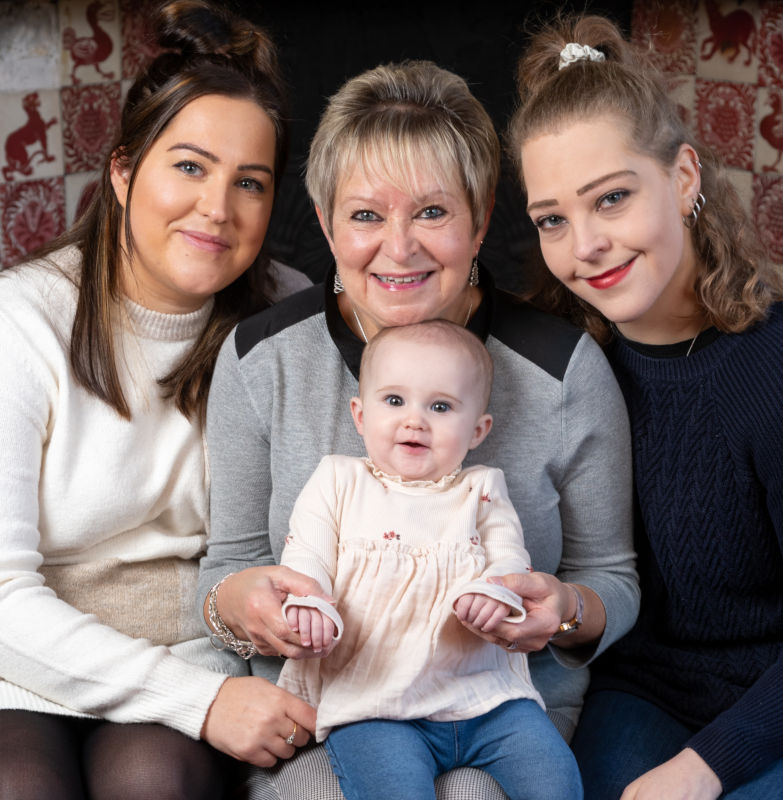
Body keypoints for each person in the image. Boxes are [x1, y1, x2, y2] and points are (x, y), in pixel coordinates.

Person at [198, 58, 639, 800]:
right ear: (325, 219)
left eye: (432, 213)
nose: (398, 249)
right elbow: (224, 569)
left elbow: (614, 579)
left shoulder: (563, 372)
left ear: (482, 213)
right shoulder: (259, 360)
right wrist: (248, 607)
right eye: (367, 215)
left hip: (503, 710)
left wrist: (566, 614)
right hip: (325, 714)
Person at [0, 2, 320, 798]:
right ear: (122, 170)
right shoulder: (22, 320)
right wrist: (201, 702)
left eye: (249, 182)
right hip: (26, 661)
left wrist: (210, 686)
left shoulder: (289, 316)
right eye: (189, 166)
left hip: (195, 654)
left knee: (150, 780)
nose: (217, 207)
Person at [509, 13, 783, 800]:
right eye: (552, 221)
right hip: (645, 692)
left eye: (611, 200)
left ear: (683, 177)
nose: (584, 246)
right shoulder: (567, 364)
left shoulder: (781, 370)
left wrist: (702, 772)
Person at [277, 319, 582, 800]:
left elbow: (508, 560)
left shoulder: (480, 490)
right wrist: (308, 604)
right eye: (394, 401)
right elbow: (307, 556)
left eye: (440, 406)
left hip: (488, 700)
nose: (414, 420)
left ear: (478, 429)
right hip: (374, 702)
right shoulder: (337, 481)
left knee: (557, 782)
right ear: (360, 416)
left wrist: (496, 592)